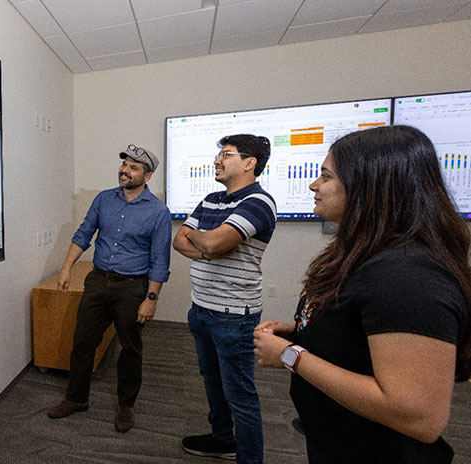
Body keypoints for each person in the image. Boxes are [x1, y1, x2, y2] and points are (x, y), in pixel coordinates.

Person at [253, 125, 471, 463]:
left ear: (368, 185)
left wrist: (292, 355)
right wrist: (307, 334)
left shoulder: (409, 277)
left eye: (325, 176)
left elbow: (418, 416)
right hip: (337, 439)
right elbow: (367, 340)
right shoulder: (368, 255)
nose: (314, 185)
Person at [46, 144, 172, 433]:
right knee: (82, 342)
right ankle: (76, 398)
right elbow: (84, 234)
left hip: (132, 288)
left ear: (148, 176)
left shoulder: (158, 212)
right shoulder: (104, 200)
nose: (125, 170)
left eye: (134, 167)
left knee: (130, 349)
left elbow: (159, 259)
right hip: (98, 281)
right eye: (124, 164)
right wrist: (65, 268)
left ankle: (125, 406)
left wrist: (151, 298)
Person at [172, 134, 276, 463]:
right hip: (201, 308)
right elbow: (180, 241)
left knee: (240, 394)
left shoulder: (259, 202)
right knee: (212, 381)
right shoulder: (210, 199)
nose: (217, 160)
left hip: (234, 316)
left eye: (226, 155)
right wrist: (212, 245)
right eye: (218, 155)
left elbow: (213, 244)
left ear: (249, 163)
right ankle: (221, 439)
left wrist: (208, 242)